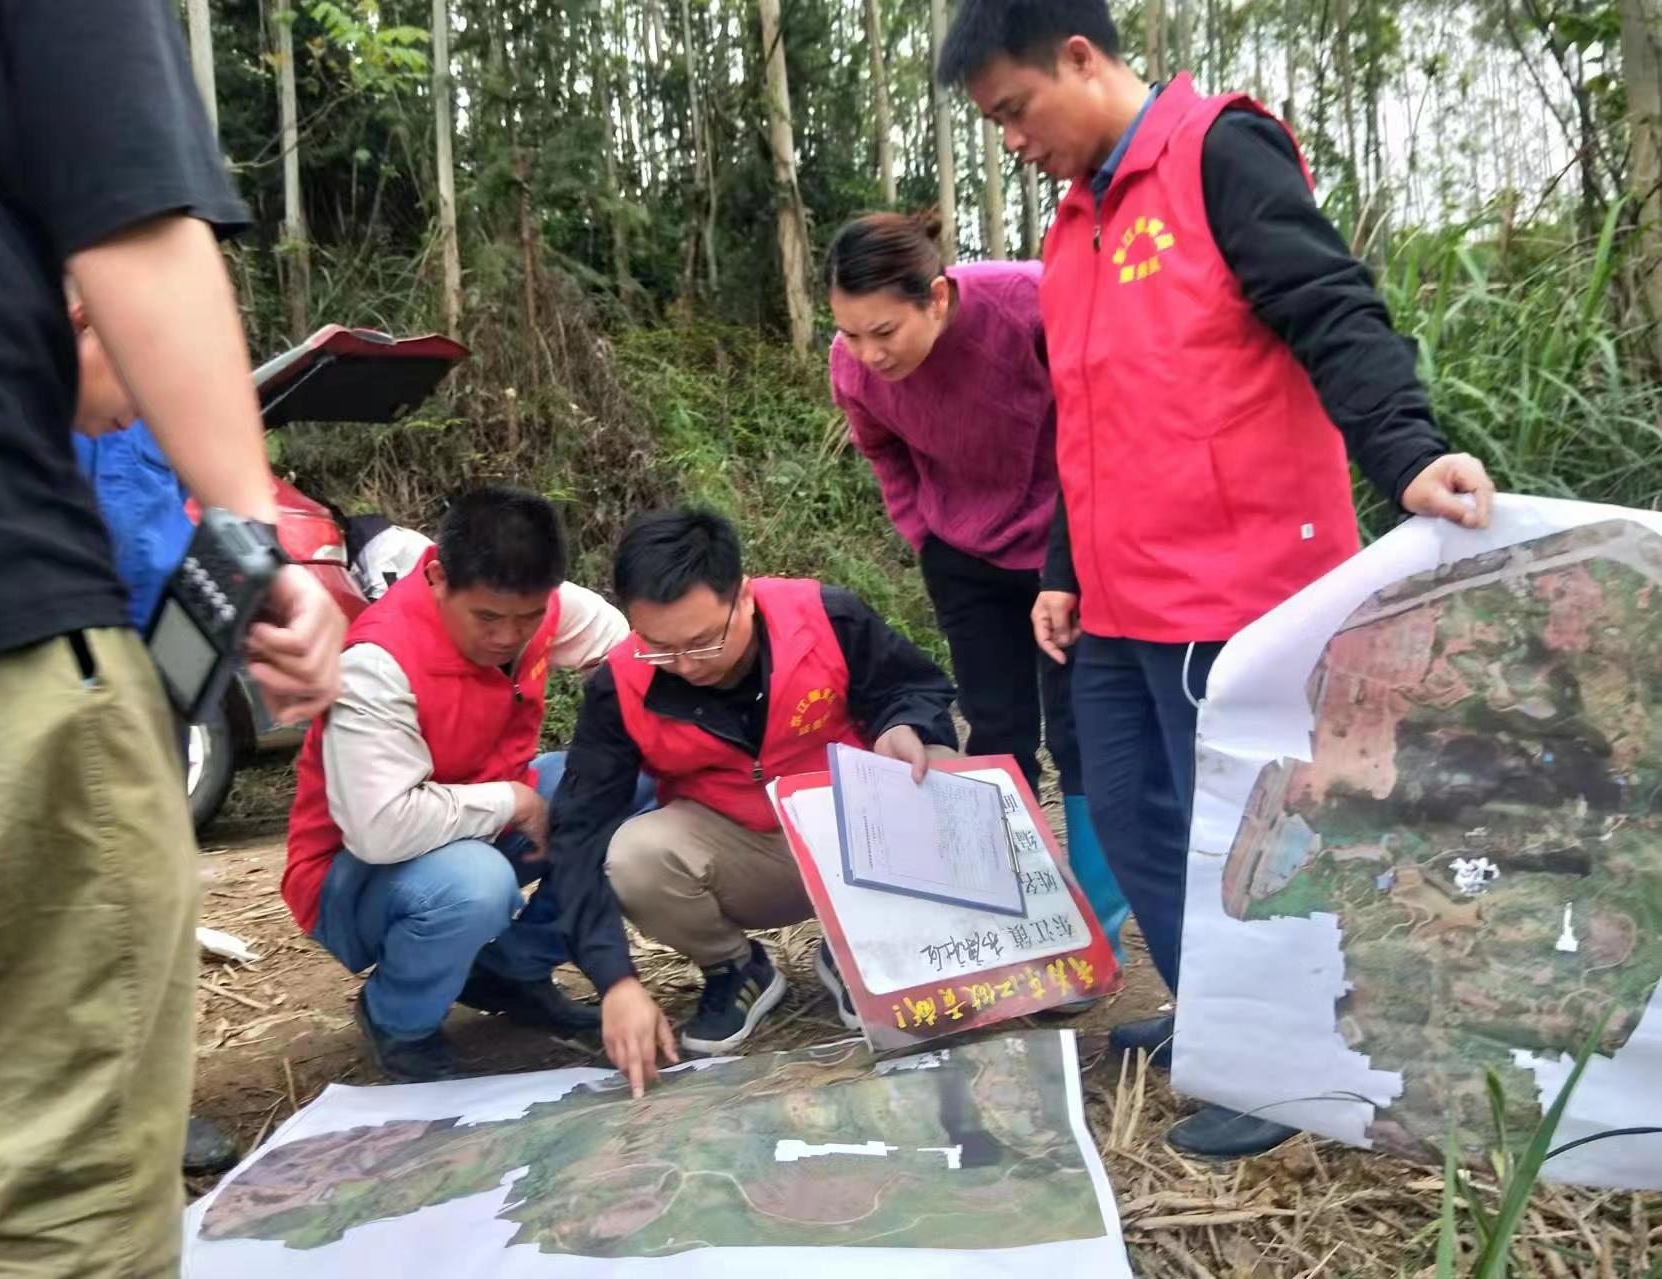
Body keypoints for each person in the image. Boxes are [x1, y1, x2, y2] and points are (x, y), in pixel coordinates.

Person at [937, 0, 1497, 1158]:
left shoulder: (1215, 152)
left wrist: (1401, 448)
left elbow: (1328, 307)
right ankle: (1216, 1018)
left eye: (1012, 109)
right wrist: (1058, 565)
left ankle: (1287, 1063)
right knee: (1136, 821)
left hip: (1232, 594)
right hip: (1119, 602)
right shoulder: (1071, 221)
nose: (1009, 139)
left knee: (1248, 842)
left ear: (1079, 58)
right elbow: (1081, 416)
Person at [0, 4, 345, 1274]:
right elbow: (139, 225)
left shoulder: (117, 453)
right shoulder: (88, 436)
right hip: (4, 648)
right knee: (50, 1211)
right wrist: (253, 528)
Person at [549, 507, 960, 1095]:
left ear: (743, 595)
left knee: (939, 768)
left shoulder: (824, 617)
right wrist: (615, 980)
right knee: (634, 857)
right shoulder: (621, 684)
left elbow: (911, 687)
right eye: (660, 648)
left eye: (702, 642)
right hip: (740, 849)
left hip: (853, 832)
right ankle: (736, 968)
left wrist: (907, 725)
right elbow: (579, 829)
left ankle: (861, 947)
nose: (686, 667)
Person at [824, 210, 1128, 957]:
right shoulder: (852, 365)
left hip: (1070, 545)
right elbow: (885, 453)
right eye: (851, 333)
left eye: (884, 331)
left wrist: (1080, 548)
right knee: (997, 733)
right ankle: (1020, 921)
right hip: (963, 553)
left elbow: (1105, 416)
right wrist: (925, 537)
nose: (868, 352)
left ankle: (1099, 931)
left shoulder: (1028, 302)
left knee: (1083, 730)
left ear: (934, 295)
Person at [282, 487, 652, 1083]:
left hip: (480, 815)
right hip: (355, 873)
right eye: (487, 618)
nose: (508, 637)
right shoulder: (377, 662)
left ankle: (511, 970)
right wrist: (512, 800)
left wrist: (618, 723)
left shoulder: (550, 609)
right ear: (437, 578)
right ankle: (397, 1020)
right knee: (477, 885)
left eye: (527, 618)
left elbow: (627, 653)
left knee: (635, 783)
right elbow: (379, 829)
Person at [66, 299, 242, 1178]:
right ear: (81, 314)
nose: (139, 409)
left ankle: (153, 1106)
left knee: (150, 893)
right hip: (48, 662)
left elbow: (165, 522)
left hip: (159, 666)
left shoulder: (152, 392)